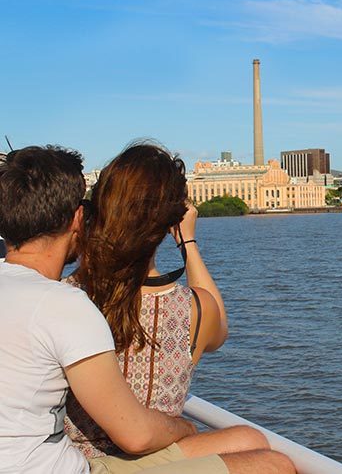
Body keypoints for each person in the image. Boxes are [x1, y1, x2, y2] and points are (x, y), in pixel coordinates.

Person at [0, 145, 294, 474]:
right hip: (101, 457)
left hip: (79, 451)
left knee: (246, 438)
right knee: (275, 462)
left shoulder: (71, 291)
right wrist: (188, 243)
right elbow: (218, 329)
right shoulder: (73, 306)